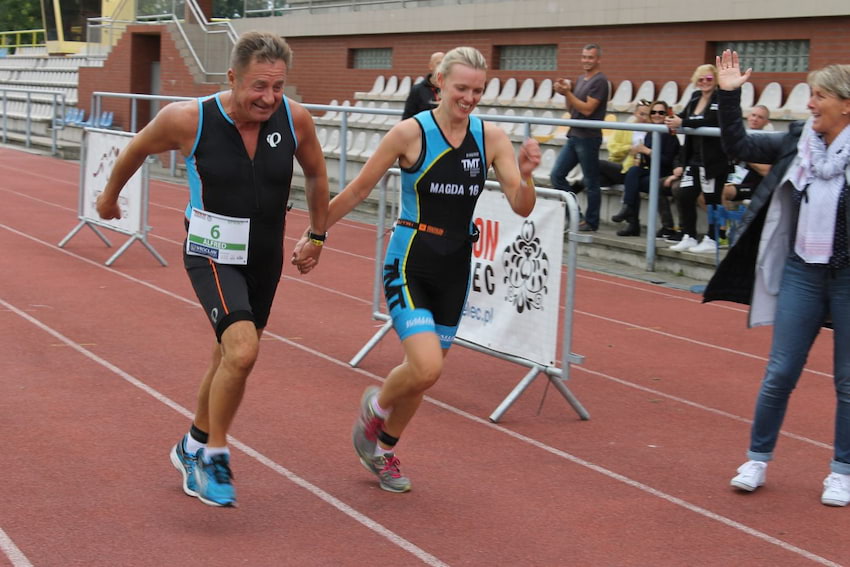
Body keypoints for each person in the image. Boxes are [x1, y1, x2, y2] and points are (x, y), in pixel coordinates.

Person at [95, 31, 330, 507]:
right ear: (232, 78)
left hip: (266, 252)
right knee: (242, 352)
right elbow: (137, 148)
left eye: (277, 87)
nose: (268, 98)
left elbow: (317, 173)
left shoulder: (295, 119)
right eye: (258, 86)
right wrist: (108, 197)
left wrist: (318, 234)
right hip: (211, 250)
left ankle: (192, 445)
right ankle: (214, 457)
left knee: (229, 356)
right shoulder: (188, 118)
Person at [292, 46, 539, 492]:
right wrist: (316, 234)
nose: (469, 98)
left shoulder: (492, 138)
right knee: (425, 368)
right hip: (410, 259)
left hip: (456, 267)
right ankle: (375, 409)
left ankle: (382, 449)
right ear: (439, 83)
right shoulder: (409, 133)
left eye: (478, 90)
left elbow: (522, 206)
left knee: (422, 376)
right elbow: (357, 191)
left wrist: (527, 173)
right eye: (461, 88)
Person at [705, 49, 850, 507]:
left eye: (820, 96)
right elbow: (740, 147)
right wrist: (730, 97)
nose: (810, 103)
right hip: (802, 272)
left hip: (847, 279)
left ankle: (842, 470)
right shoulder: (797, 141)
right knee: (780, 372)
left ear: (847, 104)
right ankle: (757, 459)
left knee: (848, 382)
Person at [664, 63, 732, 253]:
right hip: (693, 158)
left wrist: (683, 122)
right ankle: (689, 235)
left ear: (716, 79)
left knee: (712, 199)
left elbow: (710, 120)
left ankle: (713, 238)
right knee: (685, 194)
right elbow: (684, 116)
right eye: (701, 79)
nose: (704, 82)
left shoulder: (720, 97)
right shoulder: (695, 97)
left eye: (709, 79)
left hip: (713, 159)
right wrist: (672, 119)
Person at [549, 43, 609, 231]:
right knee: (557, 175)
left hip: (588, 136)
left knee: (591, 180)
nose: (586, 60)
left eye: (590, 57)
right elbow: (573, 108)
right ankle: (576, 215)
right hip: (575, 134)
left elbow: (588, 110)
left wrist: (568, 92)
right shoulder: (581, 79)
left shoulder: (600, 81)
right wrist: (565, 93)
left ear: (598, 59)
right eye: (584, 57)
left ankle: (590, 221)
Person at [612, 100, 681, 237]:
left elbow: (667, 161)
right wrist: (640, 157)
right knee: (633, 173)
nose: (657, 115)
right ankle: (629, 213)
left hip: (665, 174)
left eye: (661, 112)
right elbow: (646, 160)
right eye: (654, 112)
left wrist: (647, 151)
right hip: (651, 171)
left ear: (666, 115)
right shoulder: (650, 133)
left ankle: (633, 217)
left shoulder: (669, 135)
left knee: (639, 181)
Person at [721, 105, 771, 209]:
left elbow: (767, 171)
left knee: (720, 191)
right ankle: (724, 221)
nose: (755, 119)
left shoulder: (768, 143)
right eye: (753, 115)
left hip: (752, 186)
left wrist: (745, 157)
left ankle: (726, 224)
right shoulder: (739, 137)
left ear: (766, 122)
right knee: (703, 191)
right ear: (748, 117)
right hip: (732, 180)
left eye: (760, 117)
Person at [598, 99, 651, 191]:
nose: (644, 118)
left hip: (638, 169)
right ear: (635, 113)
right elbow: (612, 147)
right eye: (641, 114)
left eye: (648, 115)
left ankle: (572, 191)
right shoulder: (626, 127)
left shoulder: (654, 132)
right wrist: (629, 149)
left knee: (595, 176)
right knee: (594, 172)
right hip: (621, 165)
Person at [402, 51, 444, 120]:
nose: (442, 67)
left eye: (444, 64)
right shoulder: (418, 90)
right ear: (430, 66)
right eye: (438, 63)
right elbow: (407, 117)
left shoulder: (450, 89)